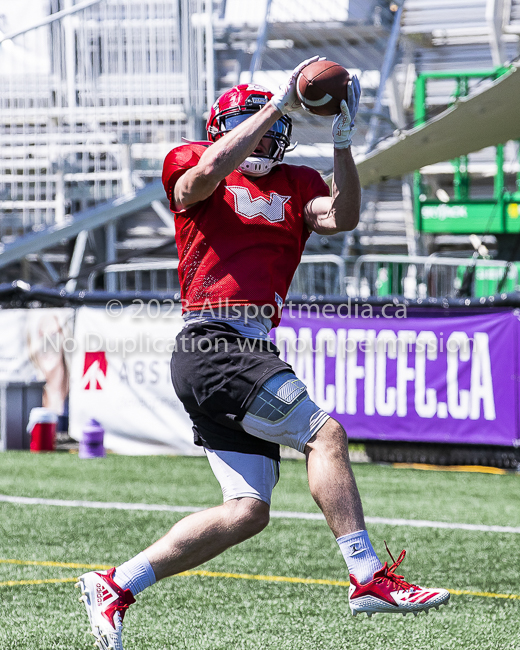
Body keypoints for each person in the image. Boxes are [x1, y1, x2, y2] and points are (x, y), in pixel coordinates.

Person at [76, 57, 449, 650]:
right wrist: (277, 102)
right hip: (213, 342)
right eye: (258, 120)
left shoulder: (297, 182)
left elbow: (343, 217)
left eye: (276, 121)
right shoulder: (190, 160)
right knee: (325, 435)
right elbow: (203, 175)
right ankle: (368, 576)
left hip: (244, 346)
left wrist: (343, 143)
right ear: (227, 122)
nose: (274, 130)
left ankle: (116, 584)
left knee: (247, 511)